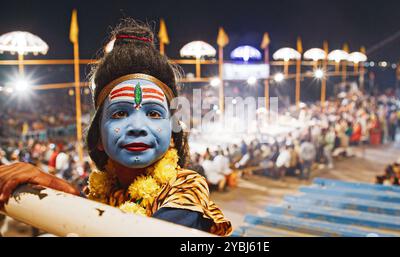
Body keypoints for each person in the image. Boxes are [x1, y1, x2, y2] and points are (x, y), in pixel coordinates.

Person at [0, 19, 231, 236]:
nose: (138, 127)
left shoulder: (187, 189)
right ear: (98, 135)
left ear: (171, 130)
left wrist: (67, 192)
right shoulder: (103, 192)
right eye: (120, 113)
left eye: (153, 113)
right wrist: (57, 187)